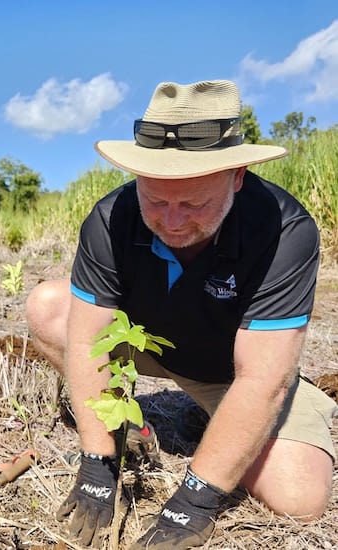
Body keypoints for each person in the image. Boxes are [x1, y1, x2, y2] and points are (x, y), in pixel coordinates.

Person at [26, 80, 337, 549]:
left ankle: (215, 417)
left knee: (300, 496)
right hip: (150, 341)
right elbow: (91, 340)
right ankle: (135, 430)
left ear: (237, 175)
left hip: (234, 370)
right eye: (156, 200)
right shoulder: (110, 218)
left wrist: (196, 498)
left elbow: (261, 379)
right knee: (49, 307)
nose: (172, 221)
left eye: (193, 203)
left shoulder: (283, 231)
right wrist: (97, 461)